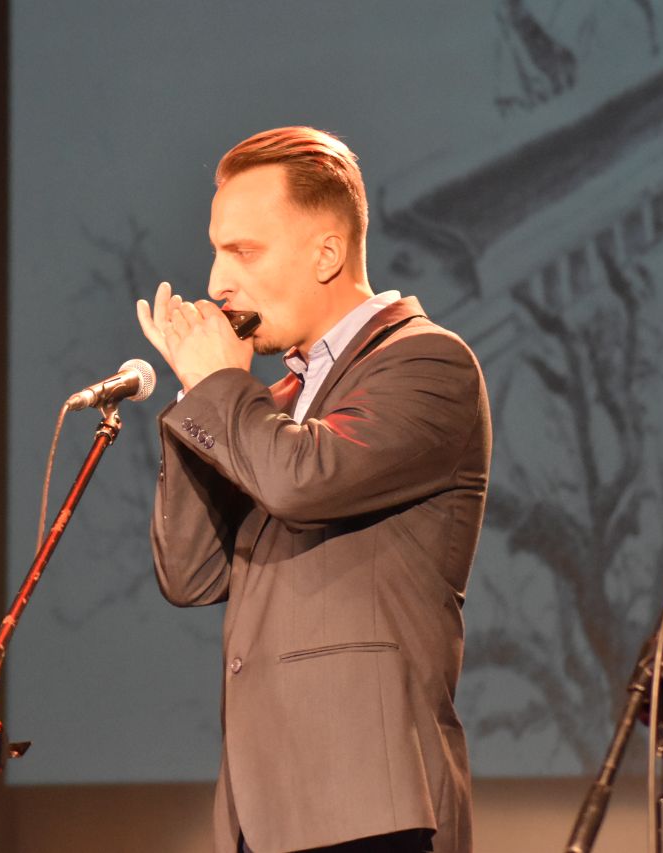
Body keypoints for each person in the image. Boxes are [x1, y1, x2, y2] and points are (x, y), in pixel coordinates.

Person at [136, 126, 491, 853]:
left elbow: (300, 482)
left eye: (243, 251)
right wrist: (200, 399)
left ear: (326, 254)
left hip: (371, 806)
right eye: (215, 250)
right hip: (265, 811)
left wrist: (218, 386)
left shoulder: (425, 362)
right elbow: (191, 573)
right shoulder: (273, 405)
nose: (216, 281)